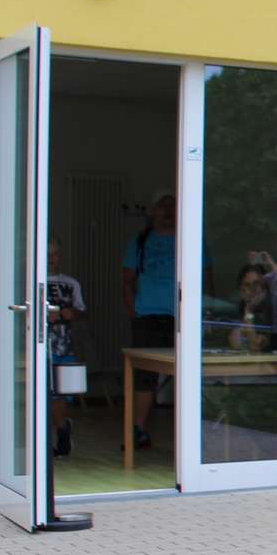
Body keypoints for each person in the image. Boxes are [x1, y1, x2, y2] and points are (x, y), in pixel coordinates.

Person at [122, 191, 179, 449]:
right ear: (153, 210)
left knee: (185, 374)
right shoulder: (140, 241)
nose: (168, 210)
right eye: (162, 205)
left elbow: (205, 279)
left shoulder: (190, 238)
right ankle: (139, 430)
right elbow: (126, 280)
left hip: (180, 318)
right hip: (147, 316)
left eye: (172, 205)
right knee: (144, 376)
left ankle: (189, 437)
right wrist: (134, 313)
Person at [47, 236, 85, 459]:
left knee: (60, 396)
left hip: (65, 348)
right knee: (47, 395)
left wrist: (73, 314)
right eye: (47, 254)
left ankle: (62, 432)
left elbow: (82, 311)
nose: (51, 259)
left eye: (55, 254)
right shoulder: (33, 281)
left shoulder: (71, 283)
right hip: (41, 348)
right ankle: (52, 438)